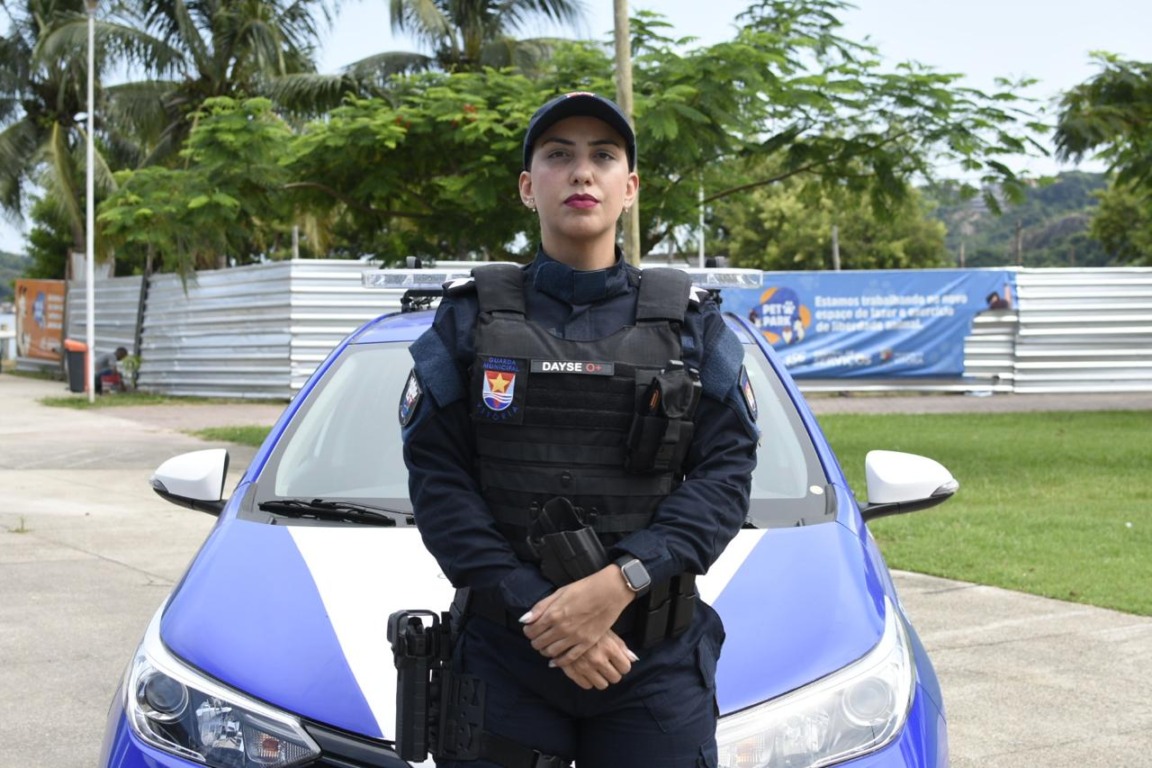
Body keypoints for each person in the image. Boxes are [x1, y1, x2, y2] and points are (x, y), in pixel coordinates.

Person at [400, 92, 758, 768]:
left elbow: (725, 477)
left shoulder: (692, 327)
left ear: (629, 188)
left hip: (650, 664)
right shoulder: (466, 323)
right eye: (559, 156)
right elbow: (439, 485)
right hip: (506, 660)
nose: (582, 173)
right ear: (528, 188)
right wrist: (547, 616)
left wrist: (618, 584)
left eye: (603, 156)